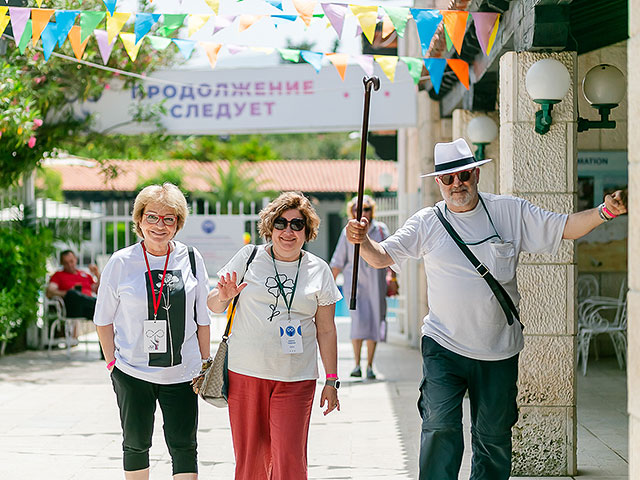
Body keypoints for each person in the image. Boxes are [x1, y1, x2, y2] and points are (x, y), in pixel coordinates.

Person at [345, 138, 628, 480]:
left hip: (499, 350)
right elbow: (380, 257)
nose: (456, 184)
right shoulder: (426, 222)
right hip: (443, 345)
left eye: (463, 175)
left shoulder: (509, 211)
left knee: (494, 439)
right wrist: (363, 241)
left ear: (476, 173)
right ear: (438, 183)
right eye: (447, 179)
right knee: (439, 427)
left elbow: (564, 227)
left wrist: (606, 211)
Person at [207, 191, 342, 480]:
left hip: (297, 378)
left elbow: (327, 329)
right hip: (246, 374)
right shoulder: (249, 256)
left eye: (297, 224)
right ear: (270, 227)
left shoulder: (319, 270)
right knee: (250, 462)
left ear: (308, 230)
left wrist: (332, 380)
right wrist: (223, 297)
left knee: (290, 461)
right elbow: (213, 304)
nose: (288, 231)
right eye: (280, 223)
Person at [94, 183, 211, 480]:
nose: (160, 225)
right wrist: (113, 365)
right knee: (135, 445)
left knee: (185, 446)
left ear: (178, 223)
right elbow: (103, 319)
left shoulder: (192, 259)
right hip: (133, 373)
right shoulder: (121, 262)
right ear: (139, 220)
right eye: (152, 217)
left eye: (169, 218)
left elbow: (202, 320)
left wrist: (204, 364)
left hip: (183, 373)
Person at [330, 195, 394, 379]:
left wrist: (392, 278)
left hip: (376, 282)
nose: (362, 213)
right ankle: (357, 364)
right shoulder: (347, 232)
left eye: (366, 209)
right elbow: (338, 260)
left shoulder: (381, 230)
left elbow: (391, 257)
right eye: (358, 209)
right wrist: (327, 285)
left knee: (375, 320)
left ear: (371, 210)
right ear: (352, 211)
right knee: (358, 322)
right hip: (355, 285)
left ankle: (370, 366)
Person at [46, 250, 99, 319]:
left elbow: (98, 290)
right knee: (72, 293)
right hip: (72, 307)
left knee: (92, 308)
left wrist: (97, 274)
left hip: (88, 307)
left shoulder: (85, 275)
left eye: (71, 261)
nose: (69, 265)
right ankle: (98, 305)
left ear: (75, 259)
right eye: (66, 263)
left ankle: (97, 306)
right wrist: (67, 293)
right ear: (62, 263)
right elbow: (50, 292)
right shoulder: (58, 275)